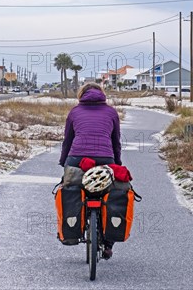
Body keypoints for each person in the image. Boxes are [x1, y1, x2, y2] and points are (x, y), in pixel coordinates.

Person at [59, 82, 121, 259]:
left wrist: (64, 163)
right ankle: (108, 244)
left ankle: (71, 228)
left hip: (77, 159)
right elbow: (116, 142)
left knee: (71, 190)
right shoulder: (111, 112)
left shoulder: (74, 112)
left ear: (81, 94)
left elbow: (67, 141)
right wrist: (116, 163)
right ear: (102, 94)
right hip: (105, 159)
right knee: (113, 196)